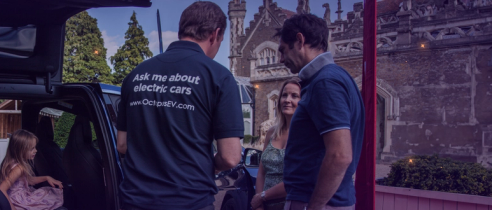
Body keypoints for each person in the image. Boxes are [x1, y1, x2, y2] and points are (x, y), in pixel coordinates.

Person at [115, 1, 244, 210]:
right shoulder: (219, 76)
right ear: (215, 34)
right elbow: (230, 157)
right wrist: (208, 164)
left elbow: (122, 144)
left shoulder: (135, 75)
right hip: (189, 201)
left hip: (135, 201)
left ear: (181, 30)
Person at [275, 14, 365, 210]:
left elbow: (340, 155)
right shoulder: (334, 77)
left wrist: (314, 207)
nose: (281, 59)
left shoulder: (325, 82)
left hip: (316, 201)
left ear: (299, 40)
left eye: (283, 50)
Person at [250, 77, 302, 210]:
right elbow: (261, 172)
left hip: (291, 204)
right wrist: (259, 203)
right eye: (284, 95)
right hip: (266, 205)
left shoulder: (306, 135)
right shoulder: (272, 132)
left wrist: (262, 196)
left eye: (294, 96)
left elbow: (298, 180)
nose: (287, 100)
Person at [0, 129, 64, 210]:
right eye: (32, 149)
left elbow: (28, 181)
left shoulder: (13, 163)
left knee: (48, 194)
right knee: (51, 196)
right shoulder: (19, 168)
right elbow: (2, 189)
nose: (35, 151)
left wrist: (46, 178)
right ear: (20, 150)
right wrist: (12, 208)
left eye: (35, 147)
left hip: (21, 195)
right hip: (18, 200)